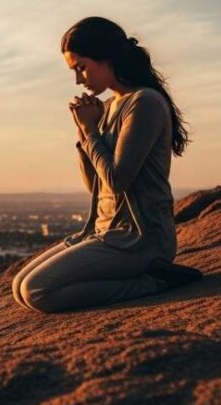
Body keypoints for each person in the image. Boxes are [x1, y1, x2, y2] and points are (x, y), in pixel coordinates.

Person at [12, 16, 203, 313]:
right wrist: (84, 133)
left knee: (37, 290)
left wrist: (91, 131)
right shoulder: (110, 106)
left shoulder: (144, 102)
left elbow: (117, 180)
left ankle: (152, 282)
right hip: (103, 233)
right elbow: (96, 186)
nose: (79, 80)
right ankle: (139, 277)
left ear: (106, 58)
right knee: (19, 288)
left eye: (81, 67)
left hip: (140, 239)